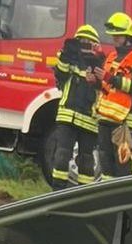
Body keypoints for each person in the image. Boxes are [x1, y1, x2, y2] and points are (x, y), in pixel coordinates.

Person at [94, 11, 132, 181]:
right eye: (113, 36)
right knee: (106, 170)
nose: (114, 39)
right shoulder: (111, 57)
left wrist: (111, 78)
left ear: (128, 36)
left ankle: (127, 207)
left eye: (118, 36)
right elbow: (107, 87)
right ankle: (109, 205)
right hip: (105, 119)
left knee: (124, 169)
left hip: (124, 123)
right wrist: (95, 81)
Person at [49, 23, 102, 190]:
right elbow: (61, 73)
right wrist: (67, 53)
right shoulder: (68, 56)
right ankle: (57, 191)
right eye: (82, 41)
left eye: (89, 42)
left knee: (87, 160)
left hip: (89, 120)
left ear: (95, 45)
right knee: (62, 154)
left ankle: (83, 195)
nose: (85, 45)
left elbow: (105, 86)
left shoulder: (102, 63)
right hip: (68, 115)